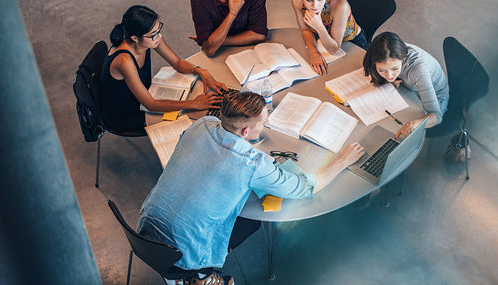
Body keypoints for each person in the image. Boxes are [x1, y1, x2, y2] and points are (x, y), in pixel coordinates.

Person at [138, 91, 365, 284]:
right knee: (253, 221)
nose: (266, 123)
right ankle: (200, 276)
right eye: (264, 121)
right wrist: (343, 160)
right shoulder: (253, 163)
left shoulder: (203, 123)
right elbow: (303, 188)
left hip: (146, 228)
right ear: (246, 132)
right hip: (185, 255)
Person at [100, 5, 226, 132]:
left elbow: (177, 62)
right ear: (135, 38)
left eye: (158, 29)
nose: (159, 37)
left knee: (196, 104)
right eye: (154, 34)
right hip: (126, 113)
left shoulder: (148, 39)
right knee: (190, 122)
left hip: (144, 96)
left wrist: (200, 71)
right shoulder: (124, 61)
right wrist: (194, 104)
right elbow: (150, 104)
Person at [363, 32, 449, 139]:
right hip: (409, 89)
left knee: (394, 127)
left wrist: (413, 124)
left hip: (434, 97)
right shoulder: (390, 51)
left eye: (394, 68)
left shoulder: (419, 70)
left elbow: (436, 116)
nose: (389, 76)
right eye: (381, 70)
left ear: (403, 58)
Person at [291, 0, 367, 75]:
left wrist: (319, 27)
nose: (315, 6)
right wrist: (313, 52)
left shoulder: (340, 5)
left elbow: (333, 49)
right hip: (323, 39)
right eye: (309, 0)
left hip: (351, 42)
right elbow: (304, 29)